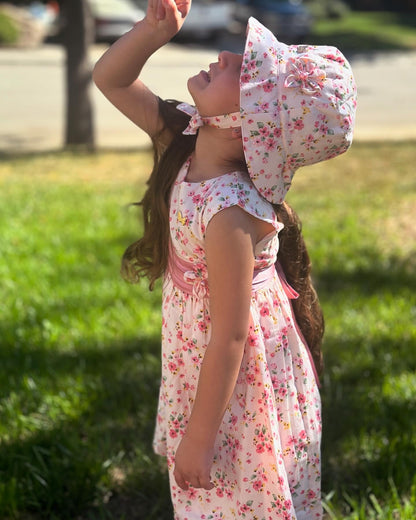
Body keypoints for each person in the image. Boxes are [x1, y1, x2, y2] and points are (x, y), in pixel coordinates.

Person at [93, 0, 357, 518]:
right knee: (214, 501)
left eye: (243, 69)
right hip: (205, 363)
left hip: (239, 380)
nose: (224, 55)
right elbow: (111, 80)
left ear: (245, 124)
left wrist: (199, 436)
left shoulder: (229, 212)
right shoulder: (187, 139)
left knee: (242, 495)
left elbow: (232, 334)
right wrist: (152, 31)